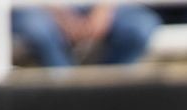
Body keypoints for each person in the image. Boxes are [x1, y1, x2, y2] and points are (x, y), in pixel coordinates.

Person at [11, 4, 160, 67]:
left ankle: (107, 91)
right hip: (40, 10)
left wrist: (103, 10)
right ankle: (67, 92)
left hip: (104, 9)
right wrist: (61, 15)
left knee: (141, 26)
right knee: (39, 30)